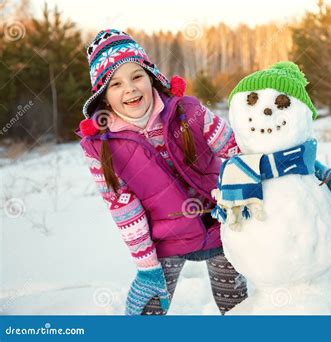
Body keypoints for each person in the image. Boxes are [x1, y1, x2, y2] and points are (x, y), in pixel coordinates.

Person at [75, 29, 247, 315]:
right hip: (167, 241)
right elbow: (125, 211)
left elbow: (235, 152)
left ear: (151, 77)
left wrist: (248, 197)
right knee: (144, 313)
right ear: (104, 97)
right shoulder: (103, 149)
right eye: (115, 84)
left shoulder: (188, 111)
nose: (130, 88)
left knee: (237, 309)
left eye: (136, 76)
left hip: (221, 227)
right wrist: (146, 268)